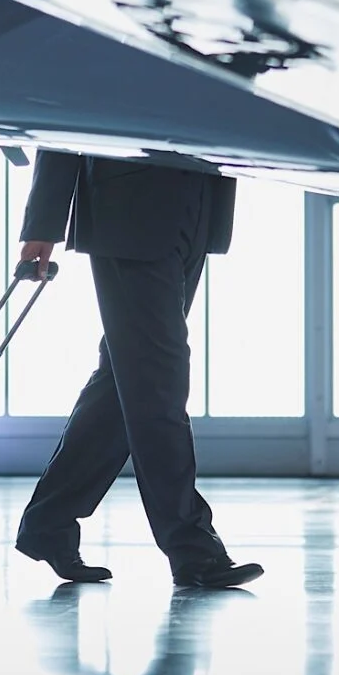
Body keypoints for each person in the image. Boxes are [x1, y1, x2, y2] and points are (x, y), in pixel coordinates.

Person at [14, 149, 263, 588]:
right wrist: (44, 224)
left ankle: (48, 524)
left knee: (125, 382)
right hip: (127, 209)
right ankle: (192, 548)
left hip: (196, 201)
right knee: (159, 380)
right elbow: (64, 119)